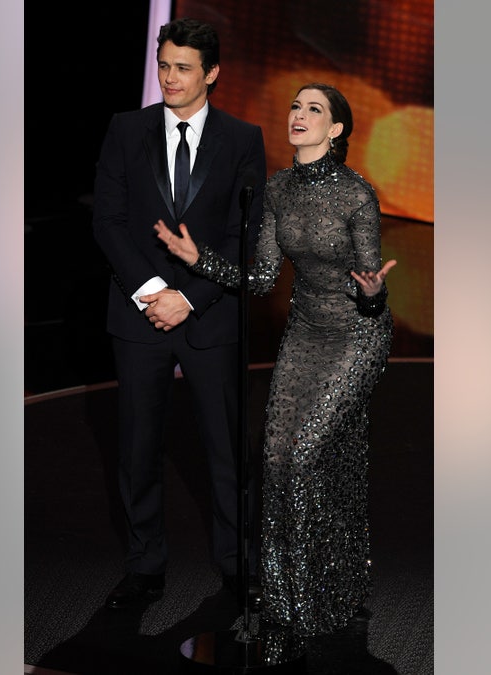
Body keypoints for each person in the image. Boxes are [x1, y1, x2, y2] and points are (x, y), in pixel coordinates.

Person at [153, 83, 397, 636]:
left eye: (315, 110)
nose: (299, 115)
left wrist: (374, 293)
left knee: (308, 454)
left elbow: (370, 280)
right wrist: (201, 259)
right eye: (295, 106)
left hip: (357, 334)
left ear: (336, 130)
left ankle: (318, 594)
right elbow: (262, 278)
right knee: (278, 458)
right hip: (306, 332)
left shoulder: (358, 195)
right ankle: (297, 593)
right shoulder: (278, 189)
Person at [91, 17, 267, 611]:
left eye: (183, 67)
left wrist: (188, 296)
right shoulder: (125, 128)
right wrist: (150, 291)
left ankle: (238, 566)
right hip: (138, 315)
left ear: (211, 74)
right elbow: (108, 221)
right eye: (164, 65)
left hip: (209, 316)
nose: (169, 77)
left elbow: (243, 234)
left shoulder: (243, 139)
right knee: (137, 448)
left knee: (226, 450)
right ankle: (144, 567)